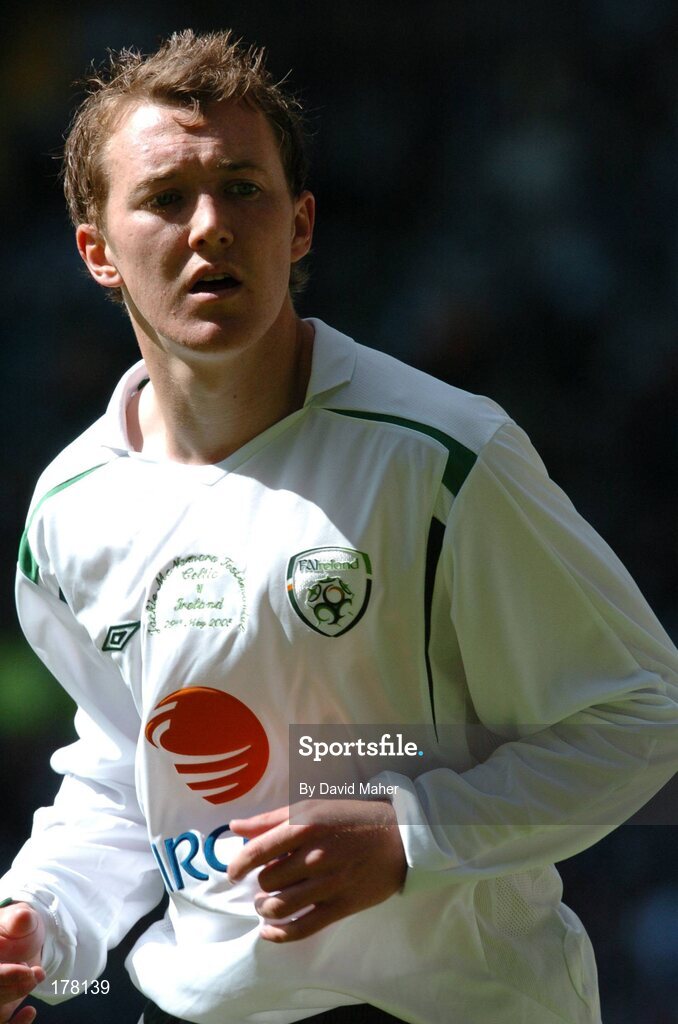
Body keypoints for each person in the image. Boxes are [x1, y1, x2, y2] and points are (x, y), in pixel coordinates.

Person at [0, 27, 676, 1024]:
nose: (209, 227)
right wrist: (42, 916)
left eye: (243, 188)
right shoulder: (70, 508)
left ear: (301, 225)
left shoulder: (444, 457)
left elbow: (644, 715)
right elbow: (126, 767)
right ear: (97, 250)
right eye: (164, 198)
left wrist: (409, 834)